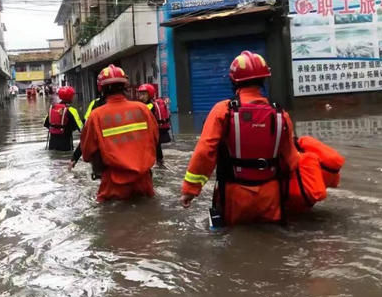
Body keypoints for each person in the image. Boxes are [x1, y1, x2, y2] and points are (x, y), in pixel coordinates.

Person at [179, 51, 299, 226]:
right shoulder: (281, 114)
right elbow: (291, 160)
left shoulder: (223, 110)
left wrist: (190, 189)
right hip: (272, 196)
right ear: (264, 79)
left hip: (234, 197)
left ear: (233, 80)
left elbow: (205, 152)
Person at [80, 64, 159, 202]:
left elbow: (87, 153)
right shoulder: (143, 109)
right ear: (125, 86)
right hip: (144, 181)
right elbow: (155, 140)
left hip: (113, 183)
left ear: (101, 88)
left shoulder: (96, 116)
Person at [69, 74, 106, 171]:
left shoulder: (95, 106)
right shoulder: (139, 109)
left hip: (103, 161)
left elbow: (86, 133)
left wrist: (75, 157)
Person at [137, 84, 171, 165]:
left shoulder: (149, 106)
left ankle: (157, 162)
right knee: (157, 148)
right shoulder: (148, 104)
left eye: (144, 94)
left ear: (150, 94)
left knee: (154, 148)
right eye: (140, 94)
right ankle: (159, 162)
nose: (141, 96)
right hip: (153, 131)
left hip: (152, 131)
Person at [43, 86, 83, 151]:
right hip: (66, 145)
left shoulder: (53, 108)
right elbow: (81, 128)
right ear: (70, 97)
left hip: (52, 144)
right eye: (73, 96)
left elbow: (46, 124)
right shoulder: (72, 110)